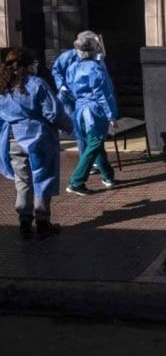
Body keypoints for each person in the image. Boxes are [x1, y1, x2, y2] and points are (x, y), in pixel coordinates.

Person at [0, 48, 72, 239]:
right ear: (28, 65)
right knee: (43, 178)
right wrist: (70, 126)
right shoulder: (37, 84)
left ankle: (24, 220)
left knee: (22, 180)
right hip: (39, 138)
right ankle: (42, 221)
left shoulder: (4, 85)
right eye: (34, 64)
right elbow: (53, 112)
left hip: (13, 138)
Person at [65, 31, 119, 196]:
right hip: (93, 111)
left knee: (95, 143)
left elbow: (70, 89)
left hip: (80, 108)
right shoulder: (95, 68)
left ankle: (108, 176)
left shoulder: (73, 67)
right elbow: (103, 94)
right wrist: (111, 115)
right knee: (94, 143)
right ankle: (76, 181)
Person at [51, 33, 107, 155]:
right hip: (70, 96)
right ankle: (86, 158)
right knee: (79, 129)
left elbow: (102, 79)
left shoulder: (96, 57)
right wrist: (61, 85)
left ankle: (94, 158)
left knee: (92, 127)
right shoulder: (68, 56)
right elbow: (56, 70)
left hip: (87, 98)